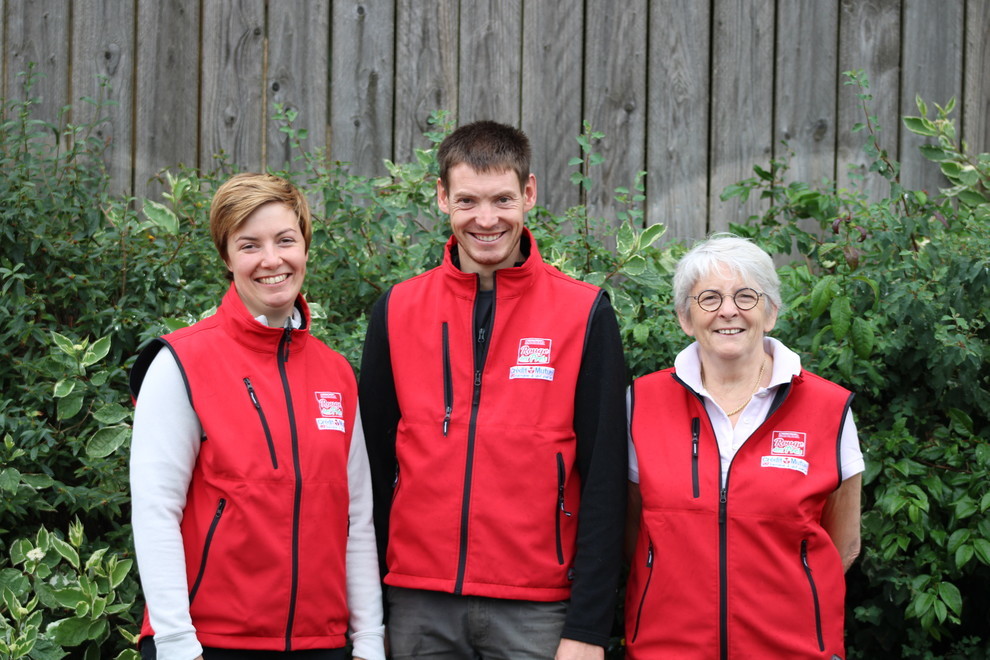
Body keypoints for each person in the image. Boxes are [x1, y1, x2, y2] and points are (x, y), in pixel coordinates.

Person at [359, 120, 627, 660]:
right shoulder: (397, 311)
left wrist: (589, 628)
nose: (486, 220)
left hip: (538, 610)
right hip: (417, 603)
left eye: (503, 199)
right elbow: (368, 469)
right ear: (442, 198)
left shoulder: (583, 313)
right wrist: (371, 613)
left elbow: (605, 482)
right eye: (468, 201)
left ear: (528, 193)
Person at [129, 173, 385, 660]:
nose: (272, 260)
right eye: (250, 245)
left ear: (305, 246)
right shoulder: (180, 364)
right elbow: (155, 513)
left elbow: (357, 520)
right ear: (227, 258)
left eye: (285, 240)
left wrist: (369, 640)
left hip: (324, 644)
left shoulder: (336, 375)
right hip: (211, 644)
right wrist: (178, 644)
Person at [624, 234, 864, 659]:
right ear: (685, 317)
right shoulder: (641, 402)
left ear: (770, 312)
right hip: (667, 646)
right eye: (709, 298)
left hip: (794, 649)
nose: (728, 311)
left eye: (746, 296)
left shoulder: (829, 408)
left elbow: (842, 542)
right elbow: (630, 529)